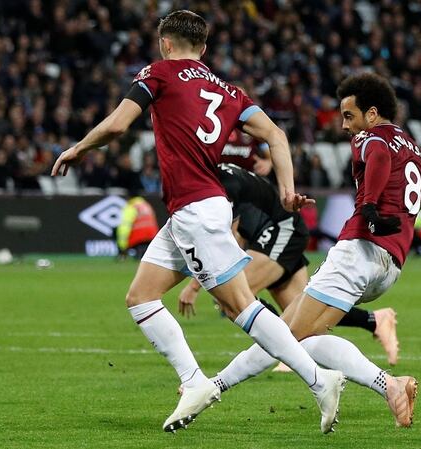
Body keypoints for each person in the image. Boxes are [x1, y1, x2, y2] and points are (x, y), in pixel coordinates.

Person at [52, 10, 345, 434]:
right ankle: (193, 381)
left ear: (165, 43)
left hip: (196, 209)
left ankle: (319, 380)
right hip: (195, 209)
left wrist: (78, 148)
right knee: (141, 296)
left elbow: (118, 125)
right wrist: (287, 190)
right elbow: (277, 135)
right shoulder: (228, 90)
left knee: (240, 307)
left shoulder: (159, 73)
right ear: (203, 49)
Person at [207, 73, 421, 428]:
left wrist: (369, 206)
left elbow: (379, 155)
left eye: (349, 116)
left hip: (359, 251)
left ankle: (210, 387)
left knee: (282, 335)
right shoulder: (420, 155)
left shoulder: (371, 137)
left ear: (372, 114)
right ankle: (390, 386)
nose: (344, 125)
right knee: (304, 334)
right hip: (390, 268)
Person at [177, 162, 400, 366]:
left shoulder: (221, 186)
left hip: (281, 230)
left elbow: (228, 240)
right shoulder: (221, 174)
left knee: (234, 295)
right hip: (275, 232)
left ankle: (285, 354)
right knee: (302, 310)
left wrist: (194, 286)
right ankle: (374, 320)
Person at [116, 191, 159, 260]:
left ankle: (125, 256)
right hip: (152, 236)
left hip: (138, 237)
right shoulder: (146, 205)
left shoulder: (131, 206)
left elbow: (124, 226)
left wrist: (122, 246)